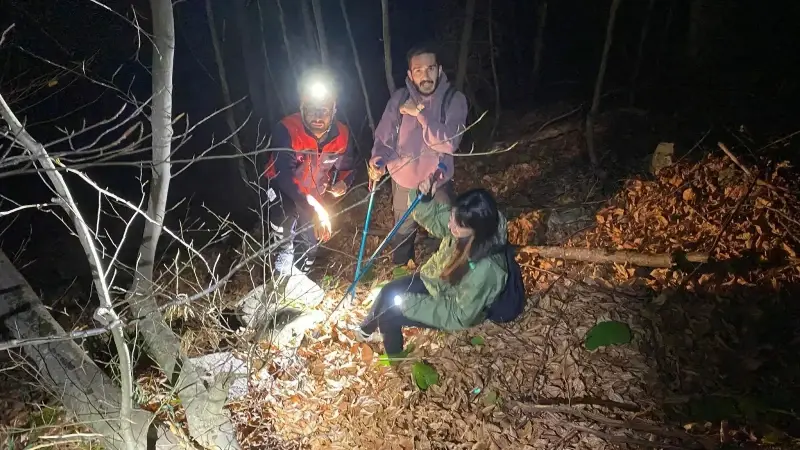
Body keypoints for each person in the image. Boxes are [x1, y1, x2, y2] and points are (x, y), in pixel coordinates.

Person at [353, 174, 511, 359]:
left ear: (475, 230)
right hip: (437, 281)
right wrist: (424, 199)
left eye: (457, 225)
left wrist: (409, 304)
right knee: (388, 291)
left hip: (450, 303)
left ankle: (396, 362)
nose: (450, 225)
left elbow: (460, 314)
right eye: (451, 217)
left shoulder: (486, 269)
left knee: (389, 315)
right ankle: (365, 330)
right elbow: (435, 219)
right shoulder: (465, 220)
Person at [368, 44, 468, 267]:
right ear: (410, 75)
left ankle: (443, 272)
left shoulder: (454, 99)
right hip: (402, 179)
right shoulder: (400, 98)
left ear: (439, 70)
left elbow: (449, 142)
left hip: (436, 181)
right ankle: (402, 271)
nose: (425, 76)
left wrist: (420, 113)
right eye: (418, 70)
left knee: (444, 229)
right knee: (402, 231)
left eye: (430, 68)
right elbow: (385, 136)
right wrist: (379, 160)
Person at [261, 66, 357, 277]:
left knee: (310, 245)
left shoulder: (342, 135)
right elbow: (285, 176)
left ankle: (300, 282)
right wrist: (317, 211)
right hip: (281, 188)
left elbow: (347, 168)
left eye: (324, 110)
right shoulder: (287, 129)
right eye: (312, 109)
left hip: (313, 193)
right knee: (285, 226)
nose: (318, 116)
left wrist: (343, 183)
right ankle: (280, 271)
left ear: (333, 111)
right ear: (302, 108)